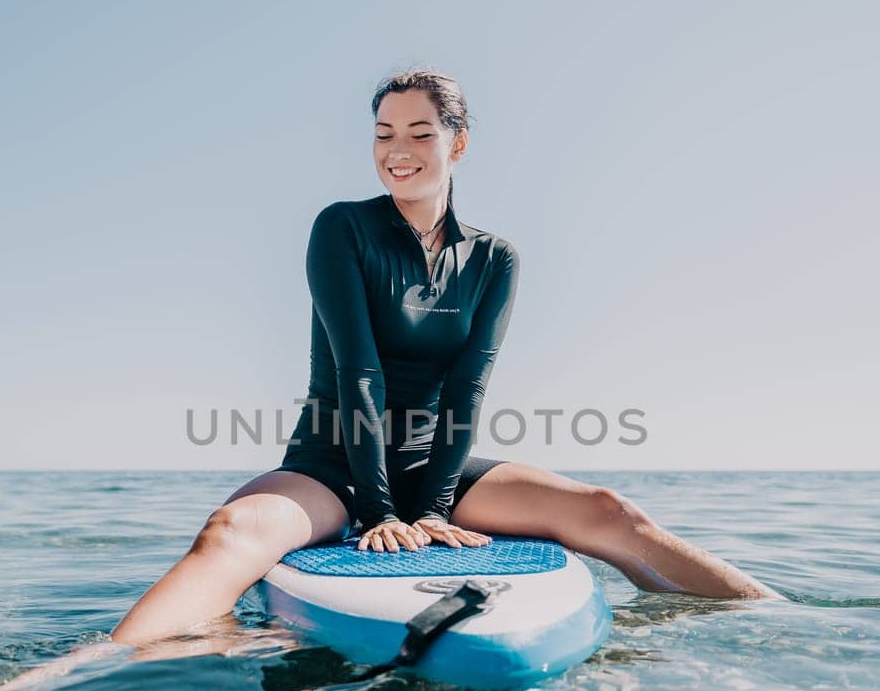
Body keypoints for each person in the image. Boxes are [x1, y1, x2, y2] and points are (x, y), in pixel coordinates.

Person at [109, 68, 779, 650]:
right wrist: (377, 513)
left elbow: (468, 386)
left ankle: (780, 623)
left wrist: (430, 509)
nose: (398, 150)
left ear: (457, 143)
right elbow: (359, 371)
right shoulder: (342, 230)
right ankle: (91, 673)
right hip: (332, 466)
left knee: (607, 511)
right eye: (384, 133)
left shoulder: (495, 260)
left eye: (420, 133)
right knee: (231, 533)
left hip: (441, 467)